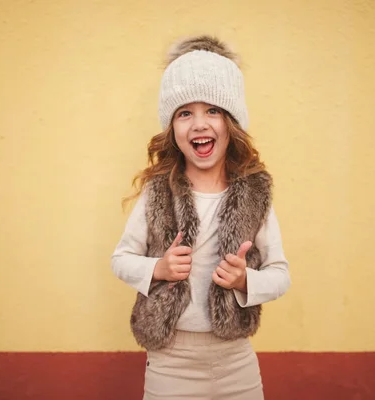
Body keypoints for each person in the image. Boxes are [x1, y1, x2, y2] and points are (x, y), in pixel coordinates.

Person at [111, 35, 291, 400]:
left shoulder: (254, 195)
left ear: (231, 122)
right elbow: (121, 260)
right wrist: (158, 268)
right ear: (172, 129)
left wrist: (244, 281)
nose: (199, 124)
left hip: (235, 361)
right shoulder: (158, 192)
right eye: (184, 113)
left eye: (213, 110)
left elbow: (280, 275)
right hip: (170, 360)